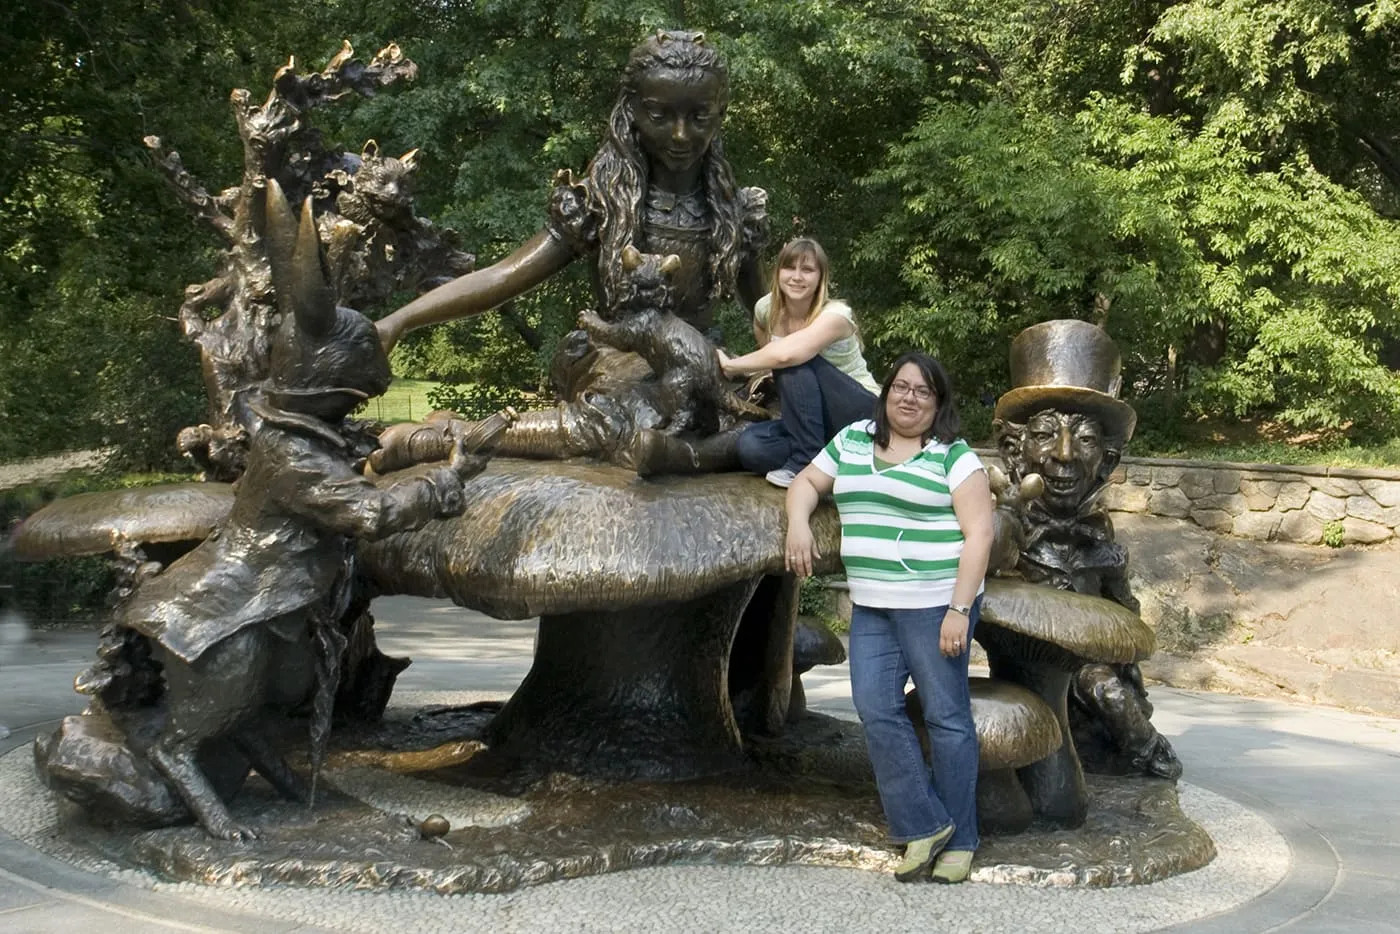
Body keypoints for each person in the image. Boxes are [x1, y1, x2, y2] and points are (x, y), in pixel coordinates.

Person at [785, 351, 994, 884]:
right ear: (886, 393)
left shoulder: (954, 457)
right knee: (876, 710)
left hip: (935, 604)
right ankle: (925, 824)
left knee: (947, 718)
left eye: (922, 391)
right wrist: (798, 525)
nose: (909, 397)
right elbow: (805, 483)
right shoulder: (855, 438)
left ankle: (961, 840)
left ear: (938, 402)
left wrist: (959, 611)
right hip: (873, 605)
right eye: (901, 386)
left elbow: (980, 535)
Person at [716, 238, 879, 488]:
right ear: (778, 271)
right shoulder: (766, 307)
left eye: (807, 270)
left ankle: (805, 463)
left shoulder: (836, 315)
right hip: (814, 424)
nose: (797, 277)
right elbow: (762, 328)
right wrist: (767, 363)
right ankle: (832, 460)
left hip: (860, 411)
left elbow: (784, 355)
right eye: (789, 268)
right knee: (750, 447)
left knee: (791, 360)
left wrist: (731, 365)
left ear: (820, 278)